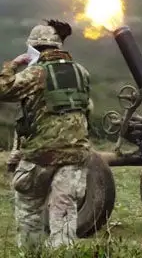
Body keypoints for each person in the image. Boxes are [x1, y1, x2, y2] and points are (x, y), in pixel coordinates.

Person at [0, 19, 92, 250]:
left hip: (41, 156)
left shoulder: (36, 73)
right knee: (64, 212)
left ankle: (32, 253)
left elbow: (3, 90)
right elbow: (86, 108)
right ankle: (62, 253)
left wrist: (12, 66)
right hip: (75, 156)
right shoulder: (82, 72)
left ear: (34, 48)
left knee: (30, 209)